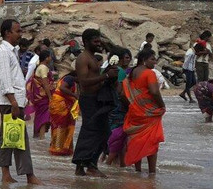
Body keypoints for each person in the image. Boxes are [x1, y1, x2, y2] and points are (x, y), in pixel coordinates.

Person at [0, 18, 40, 184]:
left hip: (13, 101)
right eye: (17, 31)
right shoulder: (3, 53)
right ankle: (24, 175)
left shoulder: (11, 51)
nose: (20, 34)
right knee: (14, 137)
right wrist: (14, 103)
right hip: (9, 102)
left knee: (13, 137)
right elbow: (4, 80)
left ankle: (17, 174)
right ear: (7, 33)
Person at [71, 28, 114, 177]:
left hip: (96, 99)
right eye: (96, 41)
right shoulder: (83, 58)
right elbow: (83, 81)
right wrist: (106, 76)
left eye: (99, 40)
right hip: (89, 100)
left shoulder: (92, 57)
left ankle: (84, 165)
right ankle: (88, 165)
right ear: (86, 42)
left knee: (100, 132)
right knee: (92, 131)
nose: (99, 43)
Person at [122, 49, 166, 173]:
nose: (155, 62)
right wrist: (162, 105)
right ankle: (152, 172)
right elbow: (154, 91)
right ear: (144, 60)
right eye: (152, 59)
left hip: (135, 111)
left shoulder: (132, 72)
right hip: (149, 112)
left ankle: (138, 170)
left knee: (137, 140)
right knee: (152, 141)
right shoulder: (149, 73)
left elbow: (125, 93)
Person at [48, 73, 79, 156]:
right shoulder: (70, 78)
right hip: (60, 104)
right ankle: (58, 149)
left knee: (61, 125)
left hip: (59, 104)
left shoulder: (68, 78)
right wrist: (74, 95)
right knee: (60, 126)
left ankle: (60, 147)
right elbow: (62, 88)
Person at [27, 49, 53, 138]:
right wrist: (50, 97)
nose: (51, 58)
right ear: (46, 58)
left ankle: (37, 136)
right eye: (49, 56)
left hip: (39, 97)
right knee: (44, 116)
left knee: (39, 115)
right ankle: (42, 137)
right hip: (43, 97)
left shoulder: (40, 67)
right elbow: (45, 84)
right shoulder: (43, 68)